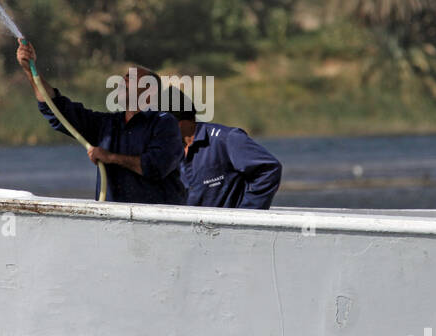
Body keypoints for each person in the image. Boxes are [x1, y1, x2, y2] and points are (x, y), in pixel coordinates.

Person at [17, 41, 186, 205]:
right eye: (123, 78)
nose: (123, 81)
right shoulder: (106, 124)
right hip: (113, 222)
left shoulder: (165, 123)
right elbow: (55, 109)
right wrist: (30, 70)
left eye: (130, 78)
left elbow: (155, 166)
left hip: (154, 224)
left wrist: (110, 157)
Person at [167, 89, 282, 210]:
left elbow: (269, 169)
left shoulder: (227, 138)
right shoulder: (166, 149)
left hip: (226, 225)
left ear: (179, 122)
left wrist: (247, 212)